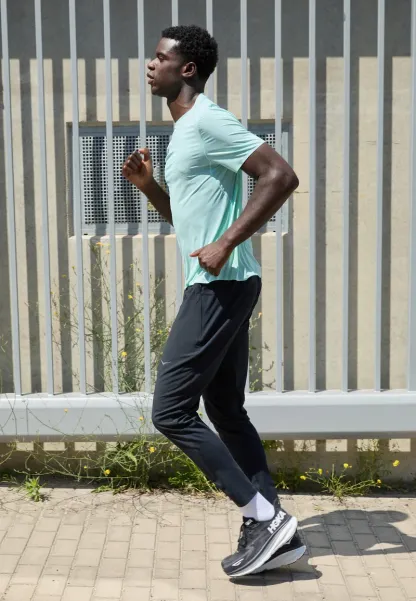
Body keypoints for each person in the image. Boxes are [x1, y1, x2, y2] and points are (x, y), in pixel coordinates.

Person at [122, 24, 304, 578]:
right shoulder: (184, 133)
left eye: (160, 58)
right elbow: (190, 220)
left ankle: (263, 517)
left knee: (171, 410)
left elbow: (280, 175)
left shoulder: (207, 121)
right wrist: (150, 187)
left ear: (187, 69)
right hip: (223, 283)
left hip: (219, 286)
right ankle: (274, 531)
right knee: (224, 409)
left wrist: (227, 243)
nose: (150, 65)